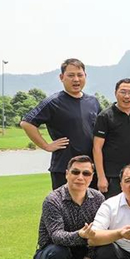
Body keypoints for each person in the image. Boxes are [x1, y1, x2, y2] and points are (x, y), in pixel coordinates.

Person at [32, 155, 105, 259]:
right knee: (59, 252)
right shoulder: (53, 200)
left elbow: (101, 230)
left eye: (86, 173)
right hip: (50, 253)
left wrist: (89, 255)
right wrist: (80, 235)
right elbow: (57, 236)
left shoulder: (98, 199)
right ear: (67, 174)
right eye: (75, 172)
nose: (80, 177)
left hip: (81, 255)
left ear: (92, 177)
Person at [21, 58, 101, 190]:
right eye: (71, 75)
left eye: (79, 75)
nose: (76, 79)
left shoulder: (93, 102)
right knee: (63, 202)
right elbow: (27, 123)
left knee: (93, 202)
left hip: (90, 169)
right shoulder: (53, 102)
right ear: (62, 77)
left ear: (85, 76)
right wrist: (46, 145)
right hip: (63, 168)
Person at [92, 78, 130, 197]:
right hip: (112, 176)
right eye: (123, 92)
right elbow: (97, 148)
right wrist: (101, 177)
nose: (127, 96)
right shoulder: (105, 116)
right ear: (115, 93)